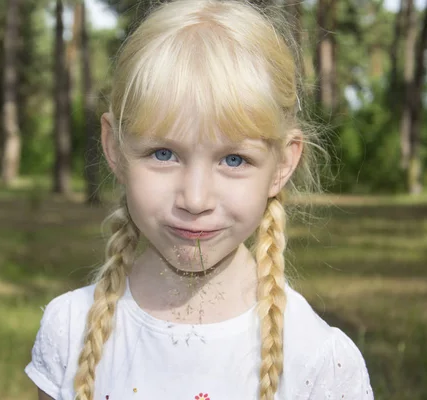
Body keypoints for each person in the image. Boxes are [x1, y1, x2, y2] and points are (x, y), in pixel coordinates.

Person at [25, 1, 373, 399]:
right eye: (163, 154)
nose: (195, 198)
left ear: (283, 163)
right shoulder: (69, 332)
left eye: (234, 159)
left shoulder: (319, 363)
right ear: (115, 148)